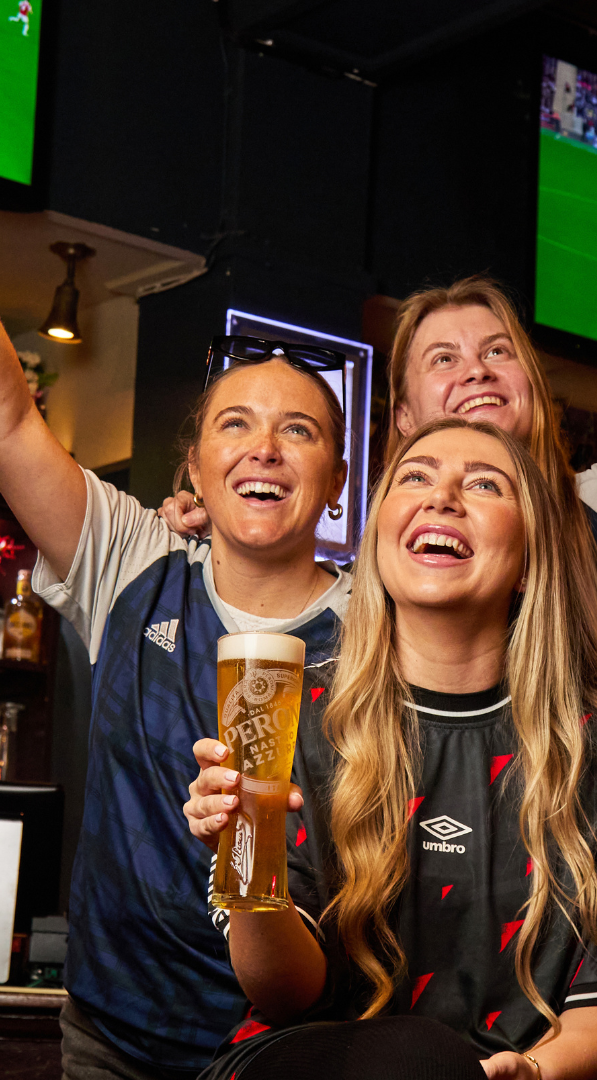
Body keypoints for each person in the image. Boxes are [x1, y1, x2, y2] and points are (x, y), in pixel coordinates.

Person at [165, 98, 597, 718]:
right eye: (443, 359)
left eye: (497, 351)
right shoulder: (389, 559)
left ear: (533, 388)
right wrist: (217, 529)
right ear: (405, 417)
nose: (476, 370)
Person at [184, 418, 597, 1080]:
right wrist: (246, 857)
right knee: (418, 1056)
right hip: (312, 1063)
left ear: (530, 557)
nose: (442, 497)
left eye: (484, 485)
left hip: (519, 1072)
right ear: (378, 537)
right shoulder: (293, 716)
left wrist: (533, 1072)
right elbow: (284, 994)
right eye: (415, 477)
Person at [0, 325, 352, 1077]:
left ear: (337, 482)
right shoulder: (134, 561)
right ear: (194, 466)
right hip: (112, 1041)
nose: (265, 448)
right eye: (236, 424)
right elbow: (10, 418)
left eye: (299, 430)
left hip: (289, 1051)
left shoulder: (381, 632)